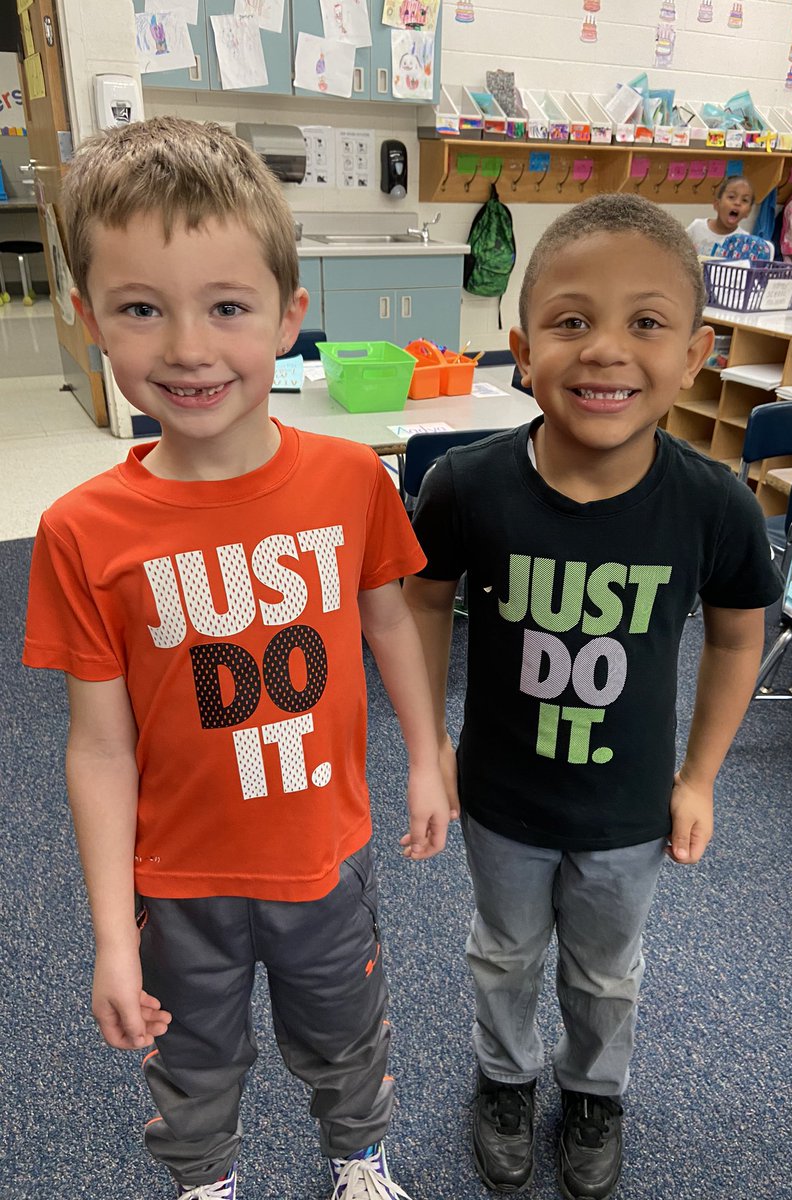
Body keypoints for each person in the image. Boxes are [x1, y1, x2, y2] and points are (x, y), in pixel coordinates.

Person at [22, 116, 450, 1200]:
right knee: (193, 1062)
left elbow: (391, 618)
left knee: (347, 1036)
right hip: (179, 883)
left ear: (289, 315)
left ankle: (360, 1156)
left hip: (324, 855)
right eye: (139, 309)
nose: (188, 349)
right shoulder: (82, 530)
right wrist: (110, 936)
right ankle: (205, 1178)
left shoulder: (350, 481)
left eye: (226, 307)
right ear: (90, 323)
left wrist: (431, 759)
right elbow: (100, 748)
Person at [403, 193, 783, 1200]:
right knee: (504, 955)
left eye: (645, 323)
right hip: (500, 801)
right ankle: (502, 1078)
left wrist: (700, 777)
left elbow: (742, 634)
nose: (606, 349)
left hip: (627, 814)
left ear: (696, 352)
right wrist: (428, 741)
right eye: (572, 321)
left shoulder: (714, 504)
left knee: (607, 971)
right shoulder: (467, 486)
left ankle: (593, 1090)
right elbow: (421, 602)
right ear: (523, 348)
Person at [685, 175, 757, 255]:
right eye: (731, 197)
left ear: (748, 212)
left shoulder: (745, 240)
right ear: (717, 204)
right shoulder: (697, 227)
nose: (737, 203)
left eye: (744, 200)